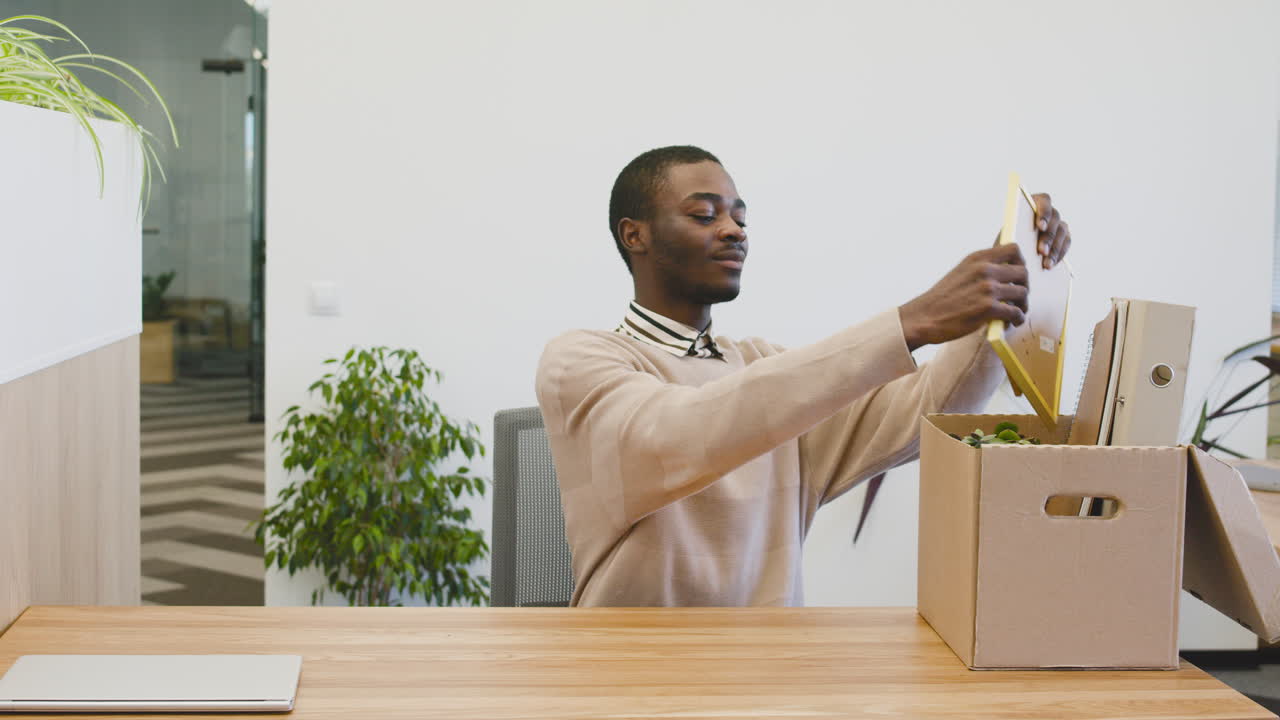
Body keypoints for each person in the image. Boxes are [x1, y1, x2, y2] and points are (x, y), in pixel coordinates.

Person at [534, 145, 1072, 607]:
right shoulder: (580, 361)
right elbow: (679, 435)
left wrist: (1007, 284)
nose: (732, 231)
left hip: (770, 678)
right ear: (636, 235)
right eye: (704, 215)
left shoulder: (762, 366)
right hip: (630, 682)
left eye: (740, 218)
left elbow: (928, 404)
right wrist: (908, 323)